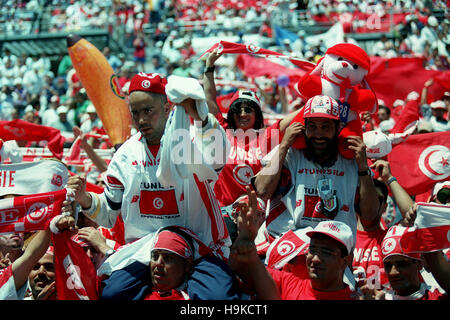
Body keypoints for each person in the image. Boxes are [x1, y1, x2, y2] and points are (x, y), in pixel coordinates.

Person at [68, 72, 239, 300]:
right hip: (146, 250)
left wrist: (201, 117)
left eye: (148, 111)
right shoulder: (125, 156)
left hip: (199, 247)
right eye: (135, 112)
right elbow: (109, 212)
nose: (141, 120)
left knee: (218, 297)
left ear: (167, 109)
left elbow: (217, 157)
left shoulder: (188, 142)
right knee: (112, 294)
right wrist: (84, 199)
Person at [203, 48, 300, 242]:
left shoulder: (268, 136)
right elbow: (210, 101)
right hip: (223, 214)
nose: (243, 114)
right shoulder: (221, 131)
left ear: (257, 113)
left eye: (249, 109)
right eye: (238, 109)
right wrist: (209, 67)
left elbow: (294, 118)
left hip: (259, 217)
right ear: (231, 114)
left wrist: (328, 92)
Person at [253, 95, 380, 241]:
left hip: (334, 250)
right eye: (312, 126)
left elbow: (370, 215)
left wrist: (363, 167)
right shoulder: (290, 153)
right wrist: (283, 145)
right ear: (304, 127)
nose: (318, 134)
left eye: (325, 127)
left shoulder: (353, 161)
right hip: (286, 247)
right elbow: (262, 190)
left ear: (338, 128)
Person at [228, 187, 357, 300]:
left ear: (345, 261)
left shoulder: (356, 298)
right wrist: (245, 237)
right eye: (312, 249)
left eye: (326, 252)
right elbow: (239, 268)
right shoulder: (288, 283)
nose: (316, 258)